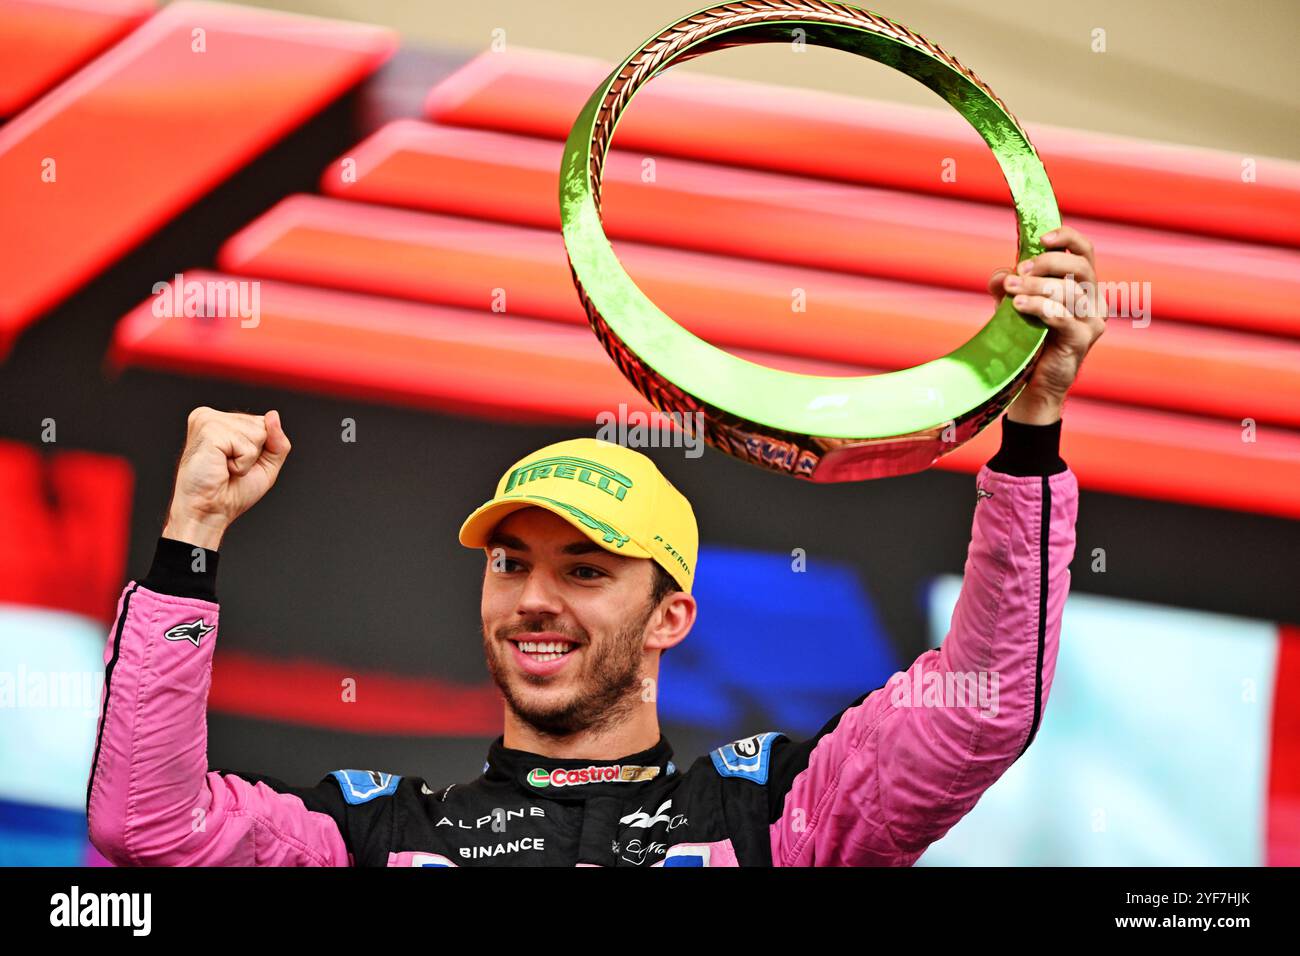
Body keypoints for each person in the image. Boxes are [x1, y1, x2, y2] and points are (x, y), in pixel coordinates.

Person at [86, 227, 1105, 866]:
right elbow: (150, 829)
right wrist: (192, 540)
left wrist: (1032, 429)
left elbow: (982, 706)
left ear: (671, 615)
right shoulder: (372, 833)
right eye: (510, 560)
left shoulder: (776, 817)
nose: (534, 595)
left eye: (585, 568)